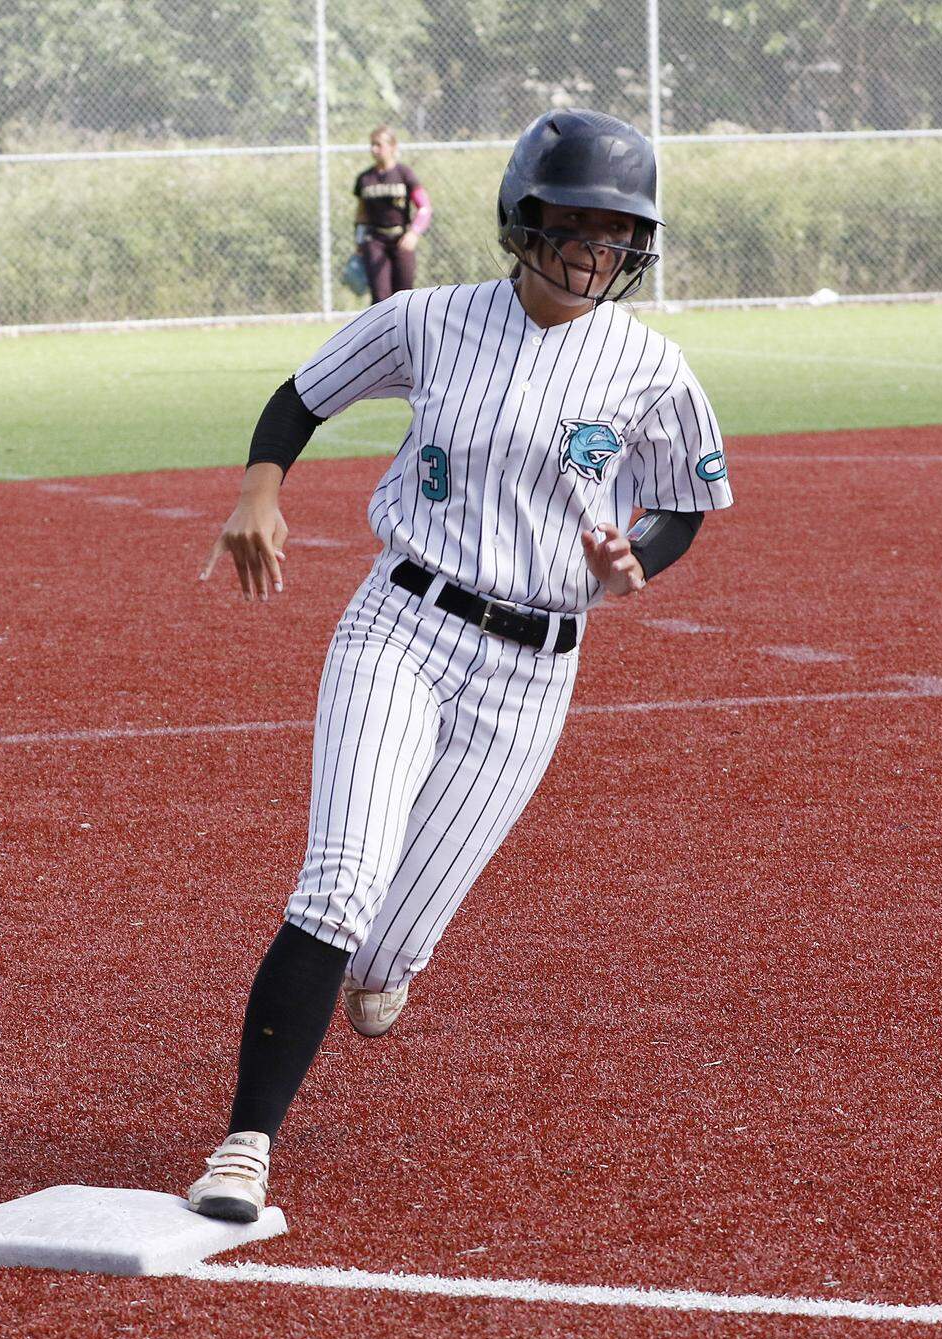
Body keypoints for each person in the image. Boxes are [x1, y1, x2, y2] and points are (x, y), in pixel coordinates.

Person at [190, 109, 733, 1222]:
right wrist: (260, 488)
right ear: (521, 220)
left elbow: (684, 501)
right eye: (571, 219)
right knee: (337, 884)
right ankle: (244, 1145)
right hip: (403, 621)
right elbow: (302, 396)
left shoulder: (651, 366)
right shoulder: (431, 320)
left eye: (615, 229)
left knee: (385, 942)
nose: (591, 246)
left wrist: (640, 556)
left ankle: (389, 960)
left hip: (534, 671)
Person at [352, 125, 432, 302]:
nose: (374, 149)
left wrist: (414, 233)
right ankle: (382, 330)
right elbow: (361, 213)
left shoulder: (404, 174)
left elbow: (424, 207)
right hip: (375, 240)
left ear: (393, 147)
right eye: (372, 144)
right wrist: (358, 241)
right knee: (381, 297)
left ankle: (404, 330)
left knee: (404, 297)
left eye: (379, 144)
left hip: (401, 239)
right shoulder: (365, 178)